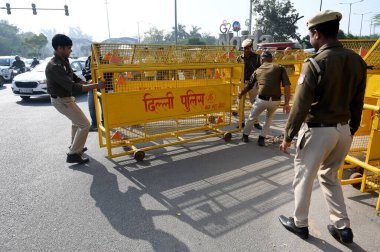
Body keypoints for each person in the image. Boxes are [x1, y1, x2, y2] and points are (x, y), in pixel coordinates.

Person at [278, 10, 367, 244]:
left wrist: (288, 136)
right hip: (344, 130)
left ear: (317, 34)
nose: (310, 38)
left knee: (304, 177)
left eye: (310, 34)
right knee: (330, 176)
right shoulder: (357, 61)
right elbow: (358, 100)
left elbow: (300, 105)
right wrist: (351, 128)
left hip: (318, 131)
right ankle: (342, 227)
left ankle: (300, 224)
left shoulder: (315, 63)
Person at [45, 34, 105, 164]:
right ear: (60, 48)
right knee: (85, 124)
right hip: (61, 100)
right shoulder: (54, 65)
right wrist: (96, 86)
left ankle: (75, 146)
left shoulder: (64, 61)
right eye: (69, 48)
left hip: (66, 98)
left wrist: (89, 82)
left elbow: (75, 79)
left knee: (76, 122)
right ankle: (73, 154)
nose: (71, 50)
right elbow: (73, 87)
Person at [239, 51, 291, 146]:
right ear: (272, 59)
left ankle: (245, 136)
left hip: (261, 99)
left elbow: (249, 86)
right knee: (269, 119)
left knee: (252, 117)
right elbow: (287, 85)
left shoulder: (257, 71)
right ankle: (261, 139)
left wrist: (241, 94)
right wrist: (286, 103)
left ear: (261, 60)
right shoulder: (280, 68)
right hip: (276, 100)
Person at [238, 38, 262, 130]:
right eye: (244, 48)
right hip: (242, 83)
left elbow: (260, 70)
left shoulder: (257, 57)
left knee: (255, 103)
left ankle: (256, 122)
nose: (246, 50)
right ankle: (242, 122)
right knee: (241, 103)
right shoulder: (239, 58)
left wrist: (258, 82)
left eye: (247, 48)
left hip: (252, 83)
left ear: (251, 47)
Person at [82, 55, 104, 132]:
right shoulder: (88, 60)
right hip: (91, 87)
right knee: (91, 106)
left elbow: (108, 72)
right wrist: (89, 80)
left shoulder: (103, 60)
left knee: (103, 106)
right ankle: (94, 124)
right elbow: (84, 71)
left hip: (102, 87)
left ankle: (104, 123)